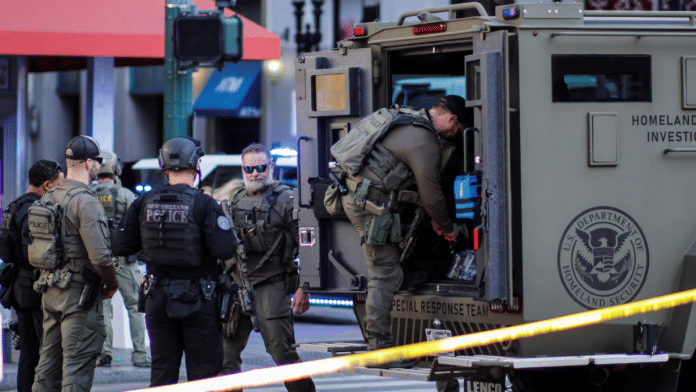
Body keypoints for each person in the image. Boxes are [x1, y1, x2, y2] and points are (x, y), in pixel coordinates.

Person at [333, 96, 468, 367]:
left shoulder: (407, 119)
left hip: (356, 195)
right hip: (370, 205)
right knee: (384, 274)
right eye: (458, 130)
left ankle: (408, 279)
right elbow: (432, 195)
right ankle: (379, 350)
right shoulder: (425, 141)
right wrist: (447, 227)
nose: (455, 136)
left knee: (391, 269)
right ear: (451, 119)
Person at [112, 137, 237, 386]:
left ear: (164, 166)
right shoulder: (205, 203)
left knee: (162, 370)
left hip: (157, 297)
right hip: (198, 298)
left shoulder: (143, 202)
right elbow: (225, 249)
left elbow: (121, 246)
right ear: (196, 165)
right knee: (203, 373)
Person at [220, 143, 315, 392]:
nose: (255, 173)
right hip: (236, 287)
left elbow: (308, 247)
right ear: (242, 170)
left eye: (261, 167)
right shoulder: (235, 200)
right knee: (225, 359)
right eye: (249, 168)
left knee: (283, 355)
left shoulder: (287, 199)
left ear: (271, 167)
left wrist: (304, 288)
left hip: (271, 285)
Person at [31, 135, 119, 392]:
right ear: (90, 163)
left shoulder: (48, 196)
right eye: (98, 162)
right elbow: (101, 257)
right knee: (76, 366)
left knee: (47, 364)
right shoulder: (86, 201)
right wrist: (111, 283)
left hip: (50, 290)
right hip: (79, 296)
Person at [0, 160, 63, 392]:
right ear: (46, 185)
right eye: (58, 183)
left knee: (28, 351)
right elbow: (34, 251)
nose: (60, 188)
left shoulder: (13, 206)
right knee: (44, 352)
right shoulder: (34, 209)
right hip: (34, 288)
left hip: (18, 286)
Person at [92, 151, 151, 368]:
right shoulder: (126, 195)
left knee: (102, 307)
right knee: (135, 306)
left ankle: (104, 353)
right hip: (124, 260)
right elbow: (140, 225)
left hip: (97, 259)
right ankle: (140, 355)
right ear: (116, 170)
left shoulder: (87, 194)